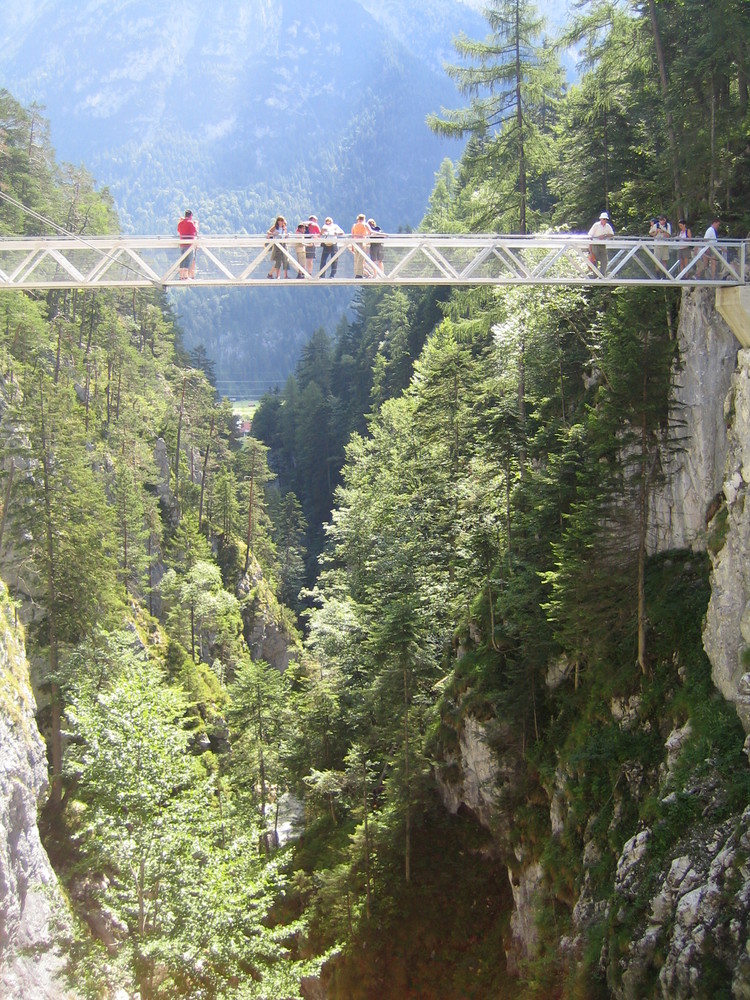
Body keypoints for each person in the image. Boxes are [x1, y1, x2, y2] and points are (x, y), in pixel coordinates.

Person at [587, 211, 614, 276]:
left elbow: (612, 234)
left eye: (606, 219)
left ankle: (602, 275)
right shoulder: (596, 225)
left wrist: (604, 235)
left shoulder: (608, 226)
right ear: (600, 219)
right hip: (595, 244)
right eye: (604, 219)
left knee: (605, 260)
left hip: (603, 245)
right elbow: (590, 235)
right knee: (594, 259)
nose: (605, 220)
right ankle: (595, 274)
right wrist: (590, 246)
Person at [177, 209, 198, 279]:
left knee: (182, 259)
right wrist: (196, 224)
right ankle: (186, 276)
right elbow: (195, 232)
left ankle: (181, 276)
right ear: (191, 216)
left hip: (182, 244)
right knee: (188, 260)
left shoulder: (180, 223)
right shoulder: (190, 223)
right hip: (189, 244)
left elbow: (179, 231)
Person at [351, 213, 371, 278]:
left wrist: (352, 246)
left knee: (356, 259)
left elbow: (352, 235)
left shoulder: (354, 225)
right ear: (364, 219)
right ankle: (359, 274)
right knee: (361, 259)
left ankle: (357, 273)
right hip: (362, 242)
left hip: (355, 242)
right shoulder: (365, 224)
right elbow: (370, 232)